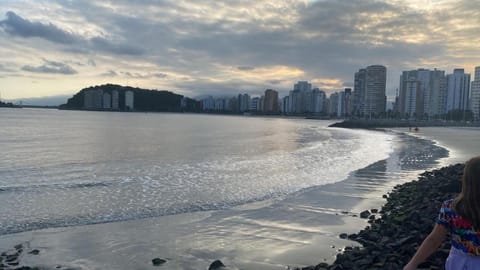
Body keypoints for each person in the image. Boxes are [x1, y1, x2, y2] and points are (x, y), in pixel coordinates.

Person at [404, 156, 480, 270]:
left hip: (459, 262)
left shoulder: (451, 207)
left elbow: (434, 239)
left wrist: (412, 264)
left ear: (466, 180)